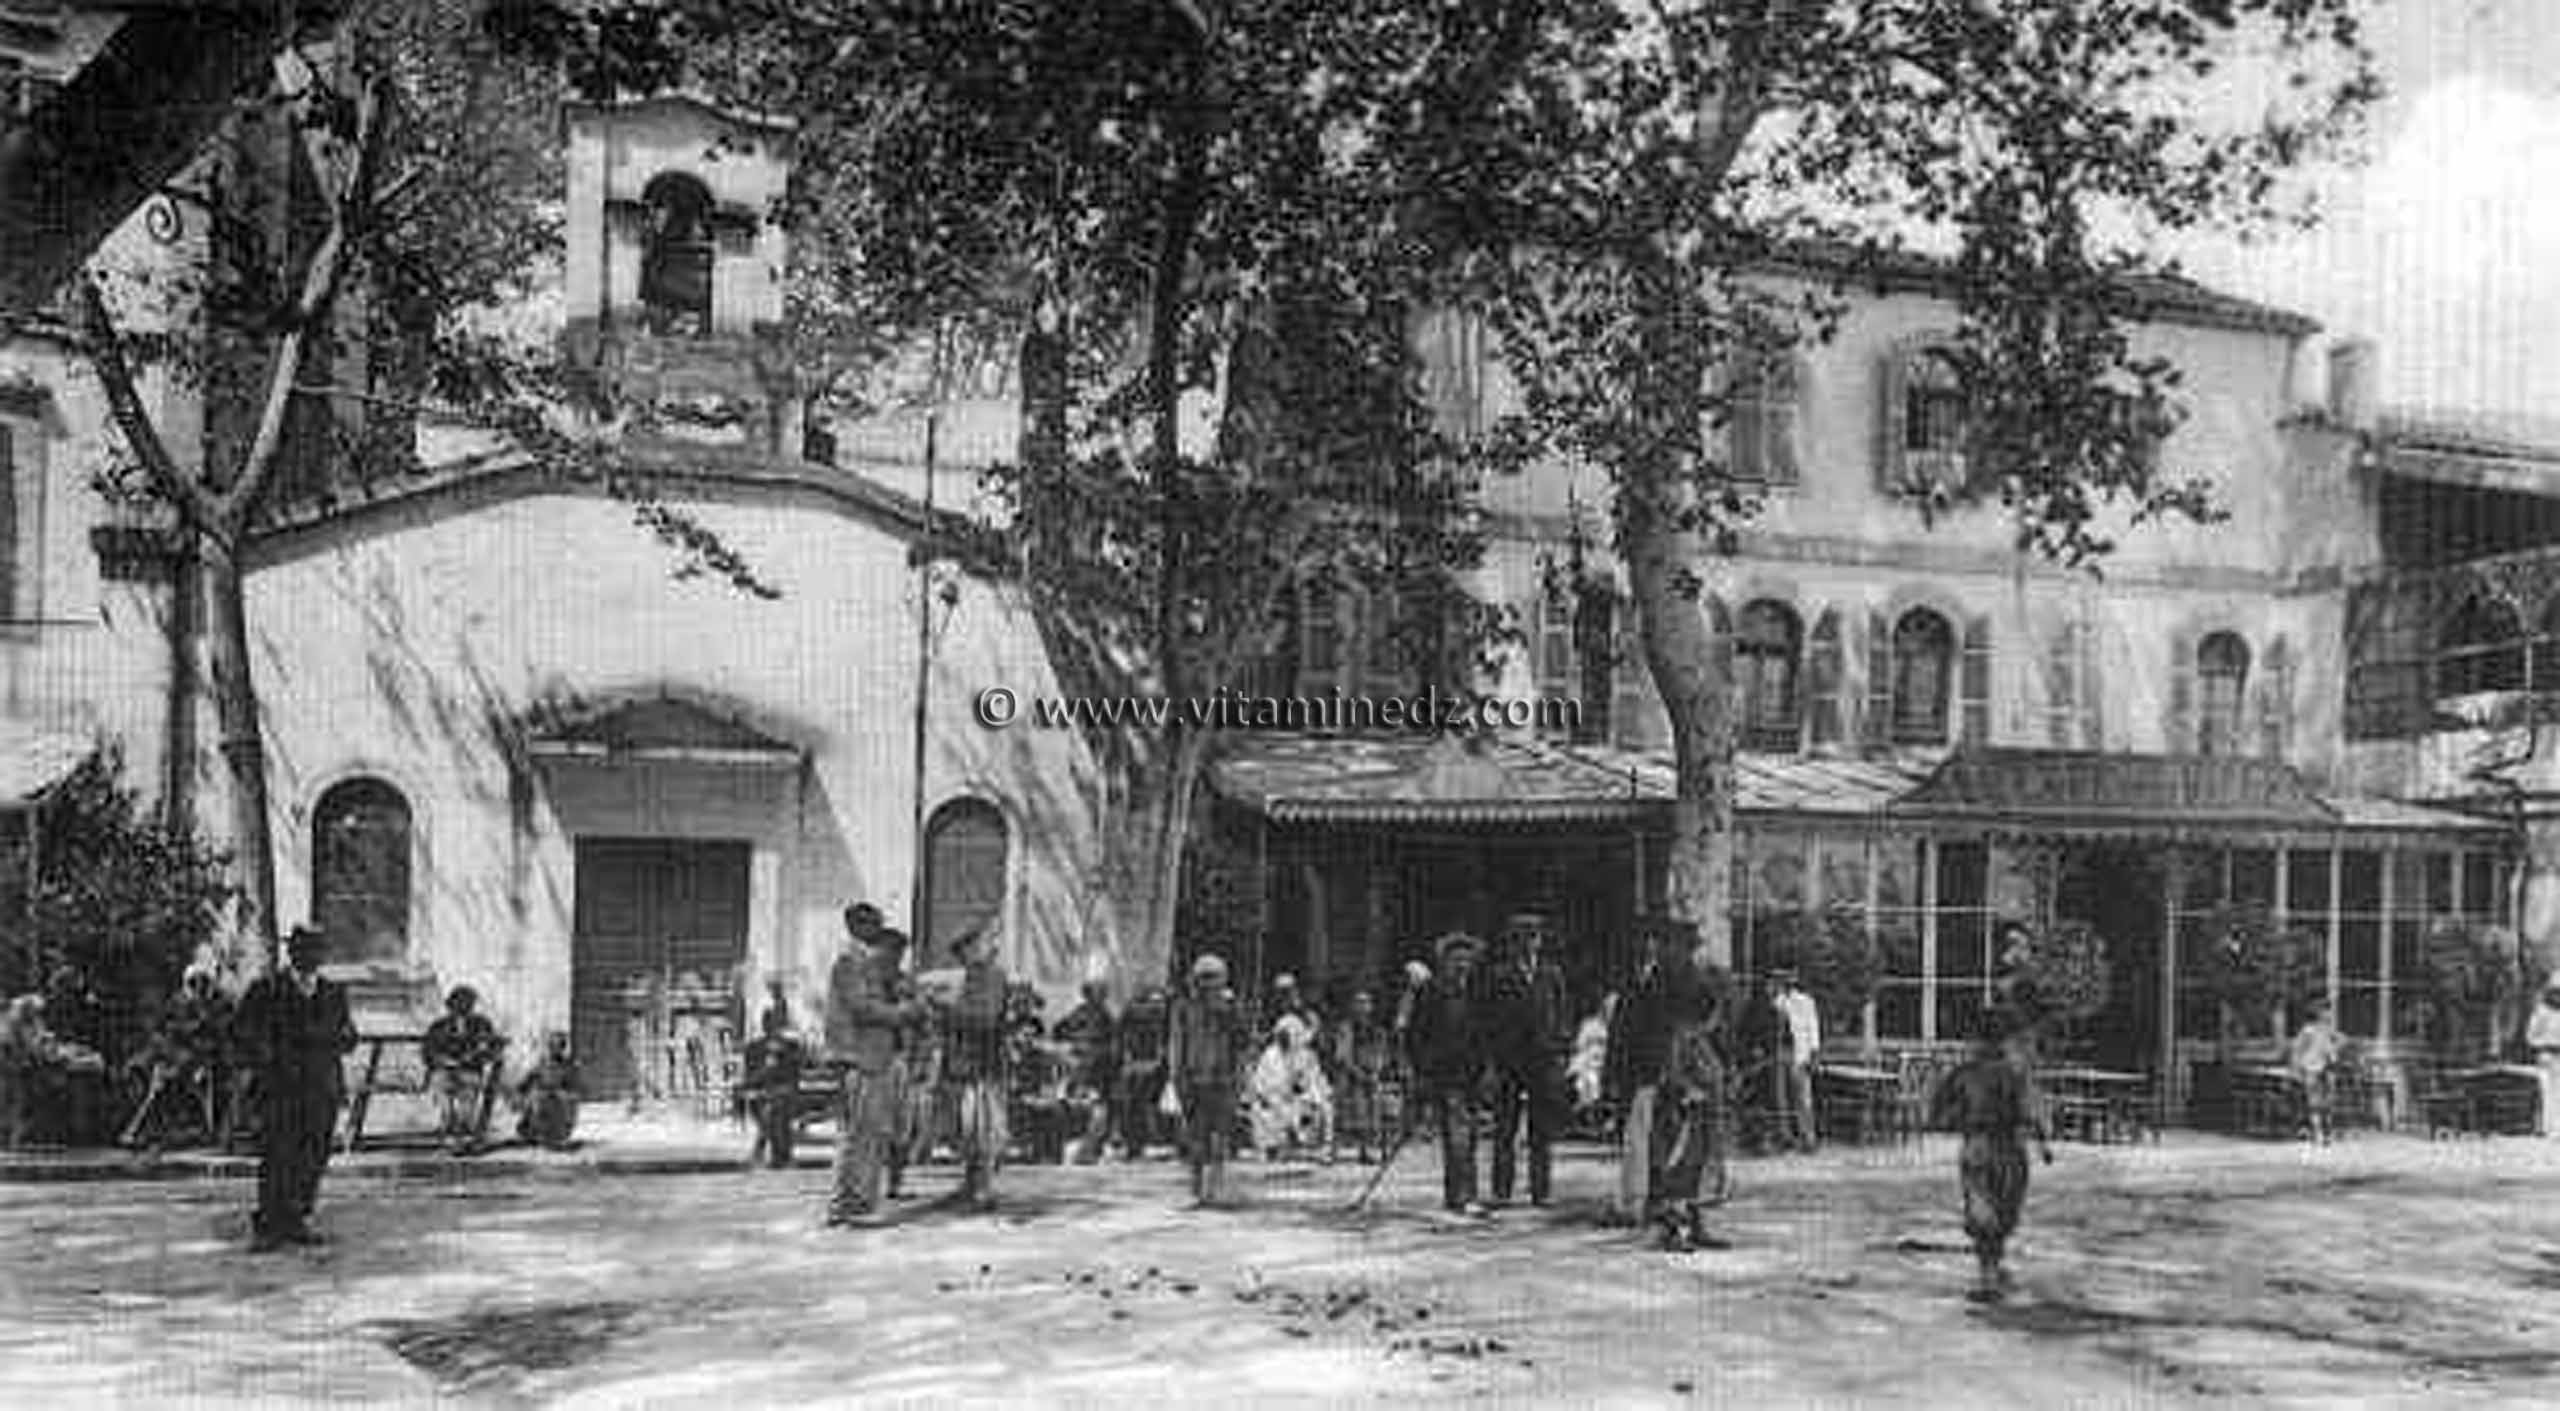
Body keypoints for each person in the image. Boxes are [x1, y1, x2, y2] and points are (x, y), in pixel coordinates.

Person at [233, 925, 358, 1252]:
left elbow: (349, 1036)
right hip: (280, 1090)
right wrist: (264, 1056)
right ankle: (268, 1225)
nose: (310, 956)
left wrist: (337, 1040)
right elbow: (241, 1031)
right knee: (277, 1155)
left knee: (312, 1156)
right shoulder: (266, 988)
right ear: (291, 953)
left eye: (316, 950)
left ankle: (297, 1218)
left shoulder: (333, 992)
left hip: (320, 1088)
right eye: (303, 949)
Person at [1928, 1010, 2054, 1302]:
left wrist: (1959, 1118)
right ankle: (1990, 1273)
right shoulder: (2016, 1072)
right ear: (2006, 1040)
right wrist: (2044, 1144)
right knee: (2005, 1209)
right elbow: (2031, 1112)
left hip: (1976, 1145)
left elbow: (1937, 1112)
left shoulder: (1964, 1073)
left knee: (1982, 1209)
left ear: (1976, 1040)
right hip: (2009, 1147)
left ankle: (1990, 1270)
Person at [822, 904, 926, 1228]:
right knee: (860, 1134)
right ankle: (851, 1204)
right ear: (857, 926)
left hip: (872, 1057)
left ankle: (855, 1202)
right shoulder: (850, 962)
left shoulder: (867, 962)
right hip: (859, 1057)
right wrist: (904, 1013)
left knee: (867, 1133)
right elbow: (862, 1008)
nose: (880, 931)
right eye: (874, 925)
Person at [1480, 913, 1571, 1208]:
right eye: (1521, 938)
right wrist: (1492, 1062)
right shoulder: (1499, 976)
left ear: (1540, 941)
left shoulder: (1551, 974)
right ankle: (1501, 1191)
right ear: (1512, 943)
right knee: (1505, 1128)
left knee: (1541, 1130)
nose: (1528, 944)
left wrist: (1559, 1051)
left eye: (1533, 937)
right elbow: (1489, 1021)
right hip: (1510, 1061)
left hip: (1542, 1061)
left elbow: (1562, 1015)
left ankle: (1541, 1190)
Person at [1605, 917, 1687, 1225]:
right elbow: (1617, 1031)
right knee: (1632, 1137)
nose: (1645, 946)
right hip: (1630, 1070)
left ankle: (1648, 1199)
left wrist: (1669, 1066)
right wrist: (1610, 1073)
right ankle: (1635, 1199)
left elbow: (1672, 1029)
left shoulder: (1669, 981)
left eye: (1651, 941)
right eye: (1640, 941)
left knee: (1654, 1137)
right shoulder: (1628, 982)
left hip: (1656, 1070)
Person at [1650, 965, 1734, 1252]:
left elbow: (1712, 1073)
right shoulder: (1681, 1038)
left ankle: (1697, 1226)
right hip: (1684, 1117)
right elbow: (1672, 1075)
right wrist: (1690, 1091)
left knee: (1700, 1173)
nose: (1717, 1020)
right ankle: (1671, 1231)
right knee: (1680, 1172)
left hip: (1707, 1118)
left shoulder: (1701, 1040)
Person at [1407, 932, 1490, 1218]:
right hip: (1444, 1074)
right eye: (1457, 958)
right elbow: (1416, 1035)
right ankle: (1465, 1196)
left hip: (1471, 1074)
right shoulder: (1431, 991)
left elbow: (1484, 1034)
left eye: (1467, 958)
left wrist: (1486, 1068)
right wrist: (1423, 1070)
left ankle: (1457, 1194)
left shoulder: (1476, 992)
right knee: (1458, 1135)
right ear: (1445, 961)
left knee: (1469, 1136)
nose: (1463, 964)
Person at [1167, 952, 1247, 1206]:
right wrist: (1177, 1078)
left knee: (1220, 1136)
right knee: (1196, 1138)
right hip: (1193, 1079)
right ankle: (1196, 1189)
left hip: (1223, 1079)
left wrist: (1239, 1077)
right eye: (1204, 978)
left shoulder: (1230, 1009)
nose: (1208, 984)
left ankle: (1216, 1188)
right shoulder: (1184, 1008)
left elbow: (1241, 1043)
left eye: (1213, 978)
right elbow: (1177, 1045)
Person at [942, 928, 1012, 1209]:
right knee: (969, 1127)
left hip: (985, 1062)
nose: (963, 958)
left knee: (985, 1127)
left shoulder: (992, 977)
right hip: (968, 1062)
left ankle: (984, 1187)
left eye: (966, 950)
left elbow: (987, 1018)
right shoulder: (973, 976)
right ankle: (971, 1182)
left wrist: (949, 1011)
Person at [422, 985, 503, 1151]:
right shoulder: (439, 1025)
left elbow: (492, 1046)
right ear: (450, 1005)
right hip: (443, 1071)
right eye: (458, 1003)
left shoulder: (481, 1024)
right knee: (443, 1092)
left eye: (467, 1003)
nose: (463, 1007)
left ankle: (461, 1135)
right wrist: (442, 1060)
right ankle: (450, 1129)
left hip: (469, 1071)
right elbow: (428, 1051)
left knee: (467, 1096)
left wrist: (476, 1056)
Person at [1248, 1010, 1334, 1162]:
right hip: (1274, 1105)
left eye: (1289, 1034)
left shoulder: (1305, 1056)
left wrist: (1306, 1093)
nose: (1285, 1039)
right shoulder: (1269, 1056)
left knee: (1323, 1107)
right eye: (1282, 1035)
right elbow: (1261, 1087)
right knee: (1265, 1111)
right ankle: (1276, 1147)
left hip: (1298, 1102)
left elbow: (1315, 1083)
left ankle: (1319, 1149)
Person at [1053, 980, 1120, 1164]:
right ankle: (1085, 1148)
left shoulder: (1103, 1016)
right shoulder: (1083, 1014)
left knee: (1100, 1105)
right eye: (1096, 993)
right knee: (1085, 1104)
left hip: (1098, 1069)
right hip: (1087, 1068)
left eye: (1101, 993)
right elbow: (1059, 1030)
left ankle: (1092, 1147)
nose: (1099, 997)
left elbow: (1115, 1042)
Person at [1327, 991, 1394, 1163]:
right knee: (1354, 1098)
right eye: (1359, 1004)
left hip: (1370, 1076)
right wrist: (1359, 1074)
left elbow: (1381, 1054)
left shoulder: (1377, 1030)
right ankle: (1338, 1149)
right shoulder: (1346, 1028)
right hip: (1350, 1077)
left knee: (1376, 1098)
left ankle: (1368, 1148)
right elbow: (1342, 1056)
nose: (1362, 1008)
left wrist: (1375, 1072)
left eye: (1366, 1004)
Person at [741, 1006, 807, 1169]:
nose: (772, 1028)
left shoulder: (792, 1047)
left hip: (785, 1094)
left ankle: (764, 1150)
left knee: (776, 1105)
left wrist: (782, 1059)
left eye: (776, 1024)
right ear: (764, 1026)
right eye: (769, 1024)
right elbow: (749, 1080)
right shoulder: (754, 1048)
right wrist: (767, 1068)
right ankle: (782, 1155)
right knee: (772, 1107)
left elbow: (795, 1075)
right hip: (762, 1095)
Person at [1769, 967, 1822, 1153]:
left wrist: (1814, 1054)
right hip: (1782, 1053)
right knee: (1782, 1098)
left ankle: (1808, 1139)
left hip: (1801, 1054)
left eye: (1787, 979)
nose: (1785, 983)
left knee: (1804, 1100)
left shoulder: (1806, 1002)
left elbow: (1813, 1029)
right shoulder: (1777, 1002)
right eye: (1782, 980)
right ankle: (1786, 1138)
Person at [1114, 985, 1170, 1159]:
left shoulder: (1132, 1013)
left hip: (1139, 1064)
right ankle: (1137, 1143)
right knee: (1141, 1104)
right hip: (1144, 1064)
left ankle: (1135, 1143)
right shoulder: (1157, 1016)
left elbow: (1121, 1037)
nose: (1157, 1009)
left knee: (1135, 1105)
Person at [2287, 997, 2347, 1145]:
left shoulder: (2327, 1030)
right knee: (2313, 1102)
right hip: (2311, 1068)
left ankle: (2326, 1132)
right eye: (2325, 1011)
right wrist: (2296, 1067)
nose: (2328, 1014)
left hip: (2326, 1068)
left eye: (2328, 1011)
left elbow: (2343, 1039)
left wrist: (2334, 1049)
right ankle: (2317, 1132)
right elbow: (2297, 1049)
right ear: (2318, 1013)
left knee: (2327, 1102)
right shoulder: (2309, 1030)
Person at [514, 1031, 582, 1150]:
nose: (555, 1050)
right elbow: (526, 1080)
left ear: (562, 1048)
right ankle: (533, 1132)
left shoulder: (569, 1066)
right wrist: (521, 1092)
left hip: (559, 1099)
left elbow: (573, 1087)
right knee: (536, 1098)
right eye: (553, 1046)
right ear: (549, 1047)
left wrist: (564, 1093)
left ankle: (559, 1135)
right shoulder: (542, 1064)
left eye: (559, 1046)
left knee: (563, 1100)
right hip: (542, 1096)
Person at [2527, 979, 2560, 1138]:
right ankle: (2549, 1128)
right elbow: (2531, 1037)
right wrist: (2546, 1045)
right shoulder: (2541, 1012)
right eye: (2556, 993)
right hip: (2547, 1056)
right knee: (2548, 1092)